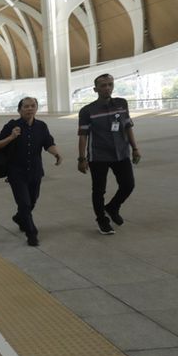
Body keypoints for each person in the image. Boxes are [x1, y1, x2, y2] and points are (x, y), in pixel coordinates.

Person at [0, 97, 62, 246]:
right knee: (24, 203)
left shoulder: (41, 126)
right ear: (19, 110)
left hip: (35, 171)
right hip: (16, 173)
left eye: (32, 106)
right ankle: (31, 233)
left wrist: (56, 153)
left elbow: (48, 143)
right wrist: (11, 137)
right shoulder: (12, 126)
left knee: (32, 201)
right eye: (26, 106)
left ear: (36, 108)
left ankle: (19, 218)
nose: (29, 109)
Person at [77, 73, 140, 235]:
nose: (107, 88)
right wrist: (82, 158)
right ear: (95, 89)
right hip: (98, 156)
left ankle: (112, 207)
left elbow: (127, 126)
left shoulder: (121, 104)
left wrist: (135, 148)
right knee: (99, 190)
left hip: (121, 153)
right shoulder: (87, 111)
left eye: (110, 84)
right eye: (103, 85)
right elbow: (83, 135)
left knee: (128, 185)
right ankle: (102, 221)